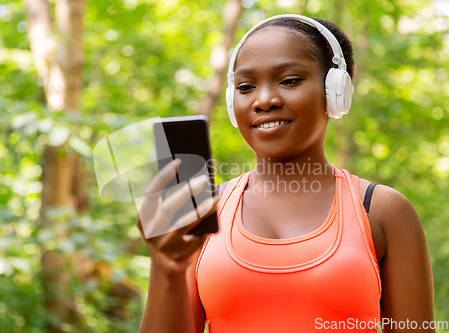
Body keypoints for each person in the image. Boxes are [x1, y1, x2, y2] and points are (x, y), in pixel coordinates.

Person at [137, 14, 435, 333]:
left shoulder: (383, 211)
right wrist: (166, 267)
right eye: (246, 86)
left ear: (335, 91)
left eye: (289, 80)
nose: (264, 100)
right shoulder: (200, 208)